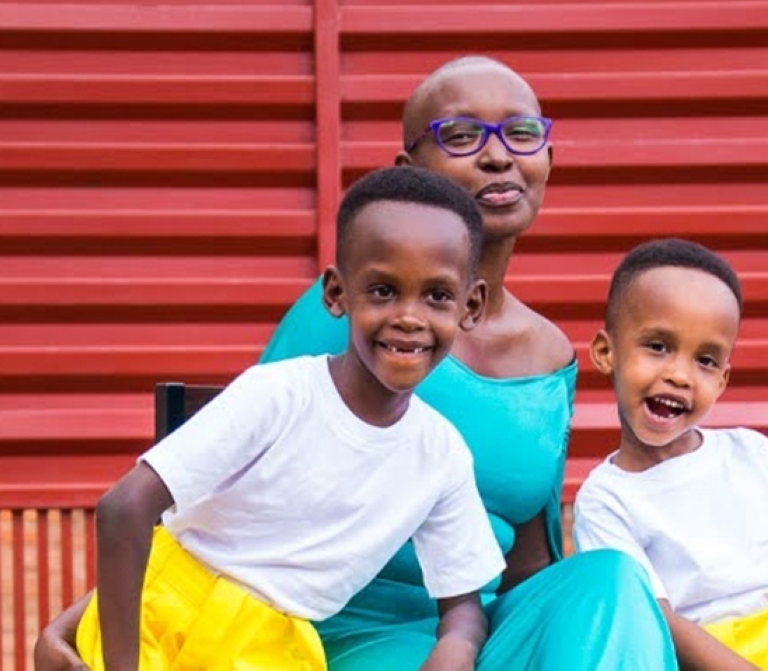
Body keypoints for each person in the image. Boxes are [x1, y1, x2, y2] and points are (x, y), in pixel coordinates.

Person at [37, 56, 768, 670]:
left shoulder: (551, 352)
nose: (497, 158)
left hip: (470, 625)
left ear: (549, 157)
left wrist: (720, 613)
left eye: (521, 134)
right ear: (408, 163)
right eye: (461, 136)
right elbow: (213, 490)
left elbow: (536, 556)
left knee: (610, 579)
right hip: (328, 626)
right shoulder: (345, 319)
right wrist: (88, 621)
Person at [74, 166, 508, 670]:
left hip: (274, 648)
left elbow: (464, 606)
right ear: (336, 293)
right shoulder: (279, 395)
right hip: (166, 612)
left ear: (470, 306)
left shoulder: (440, 453)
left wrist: (453, 651)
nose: (409, 317)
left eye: (436, 295)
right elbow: (124, 508)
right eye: (383, 291)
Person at [572, 238, 768, 671]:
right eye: (658, 346)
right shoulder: (606, 499)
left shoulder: (750, 454)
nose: (680, 375)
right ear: (607, 353)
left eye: (705, 360)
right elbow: (656, 620)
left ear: (723, 379)